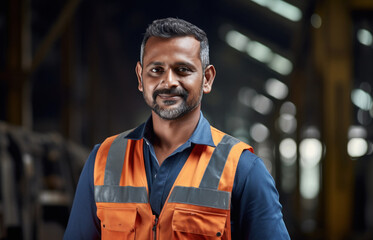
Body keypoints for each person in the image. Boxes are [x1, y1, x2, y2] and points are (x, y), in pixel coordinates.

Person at [64, 17, 290, 239]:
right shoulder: (102, 161)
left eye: (183, 69)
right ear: (140, 78)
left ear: (207, 79)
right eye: (156, 70)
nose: (169, 81)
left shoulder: (243, 170)